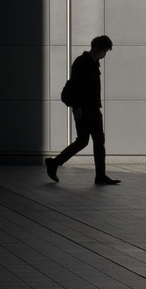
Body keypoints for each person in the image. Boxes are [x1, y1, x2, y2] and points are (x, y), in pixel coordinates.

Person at [46, 35, 121, 186]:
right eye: (105, 50)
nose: (105, 54)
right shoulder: (81, 62)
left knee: (99, 141)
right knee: (82, 141)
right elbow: (76, 87)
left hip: (94, 108)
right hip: (83, 109)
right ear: (97, 48)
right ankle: (54, 163)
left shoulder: (93, 63)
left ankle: (100, 176)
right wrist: (76, 107)